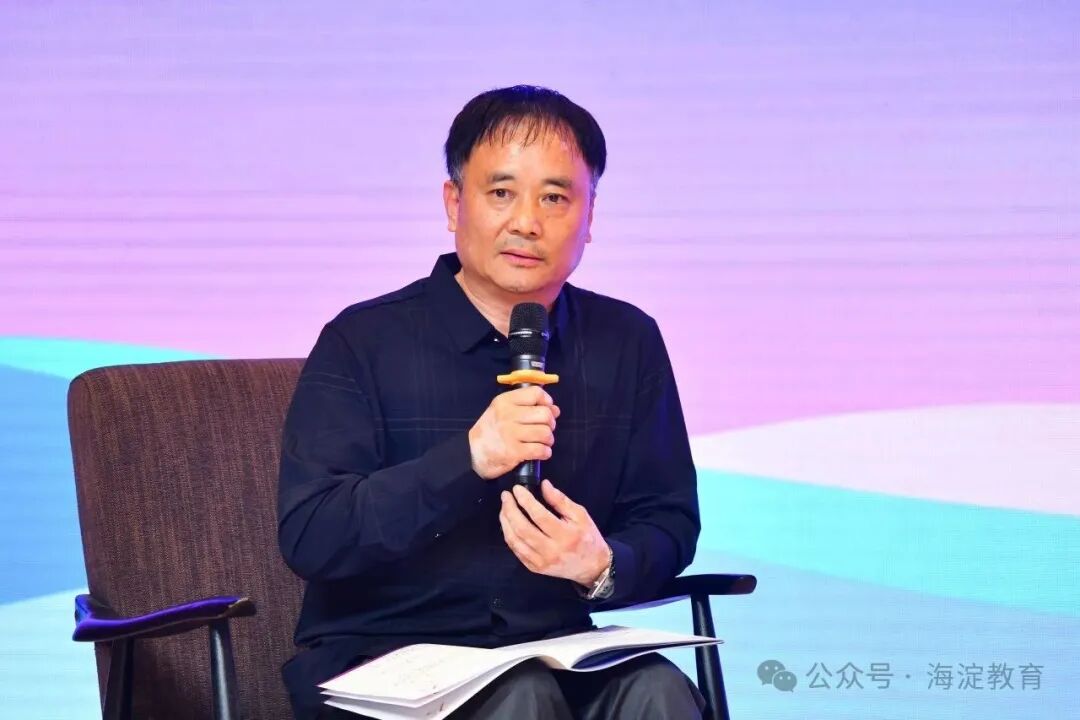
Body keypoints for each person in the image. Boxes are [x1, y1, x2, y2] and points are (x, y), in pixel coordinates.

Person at [277, 85, 703, 719]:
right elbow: (312, 533)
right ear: (454, 204)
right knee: (519, 697)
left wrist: (603, 565)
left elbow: (667, 517)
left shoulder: (627, 341)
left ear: (590, 217)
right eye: (501, 193)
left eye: (555, 198)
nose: (526, 222)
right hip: (385, 660)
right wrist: (470, 459)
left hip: (555, 650)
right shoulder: (363, 340)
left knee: (656, 688)